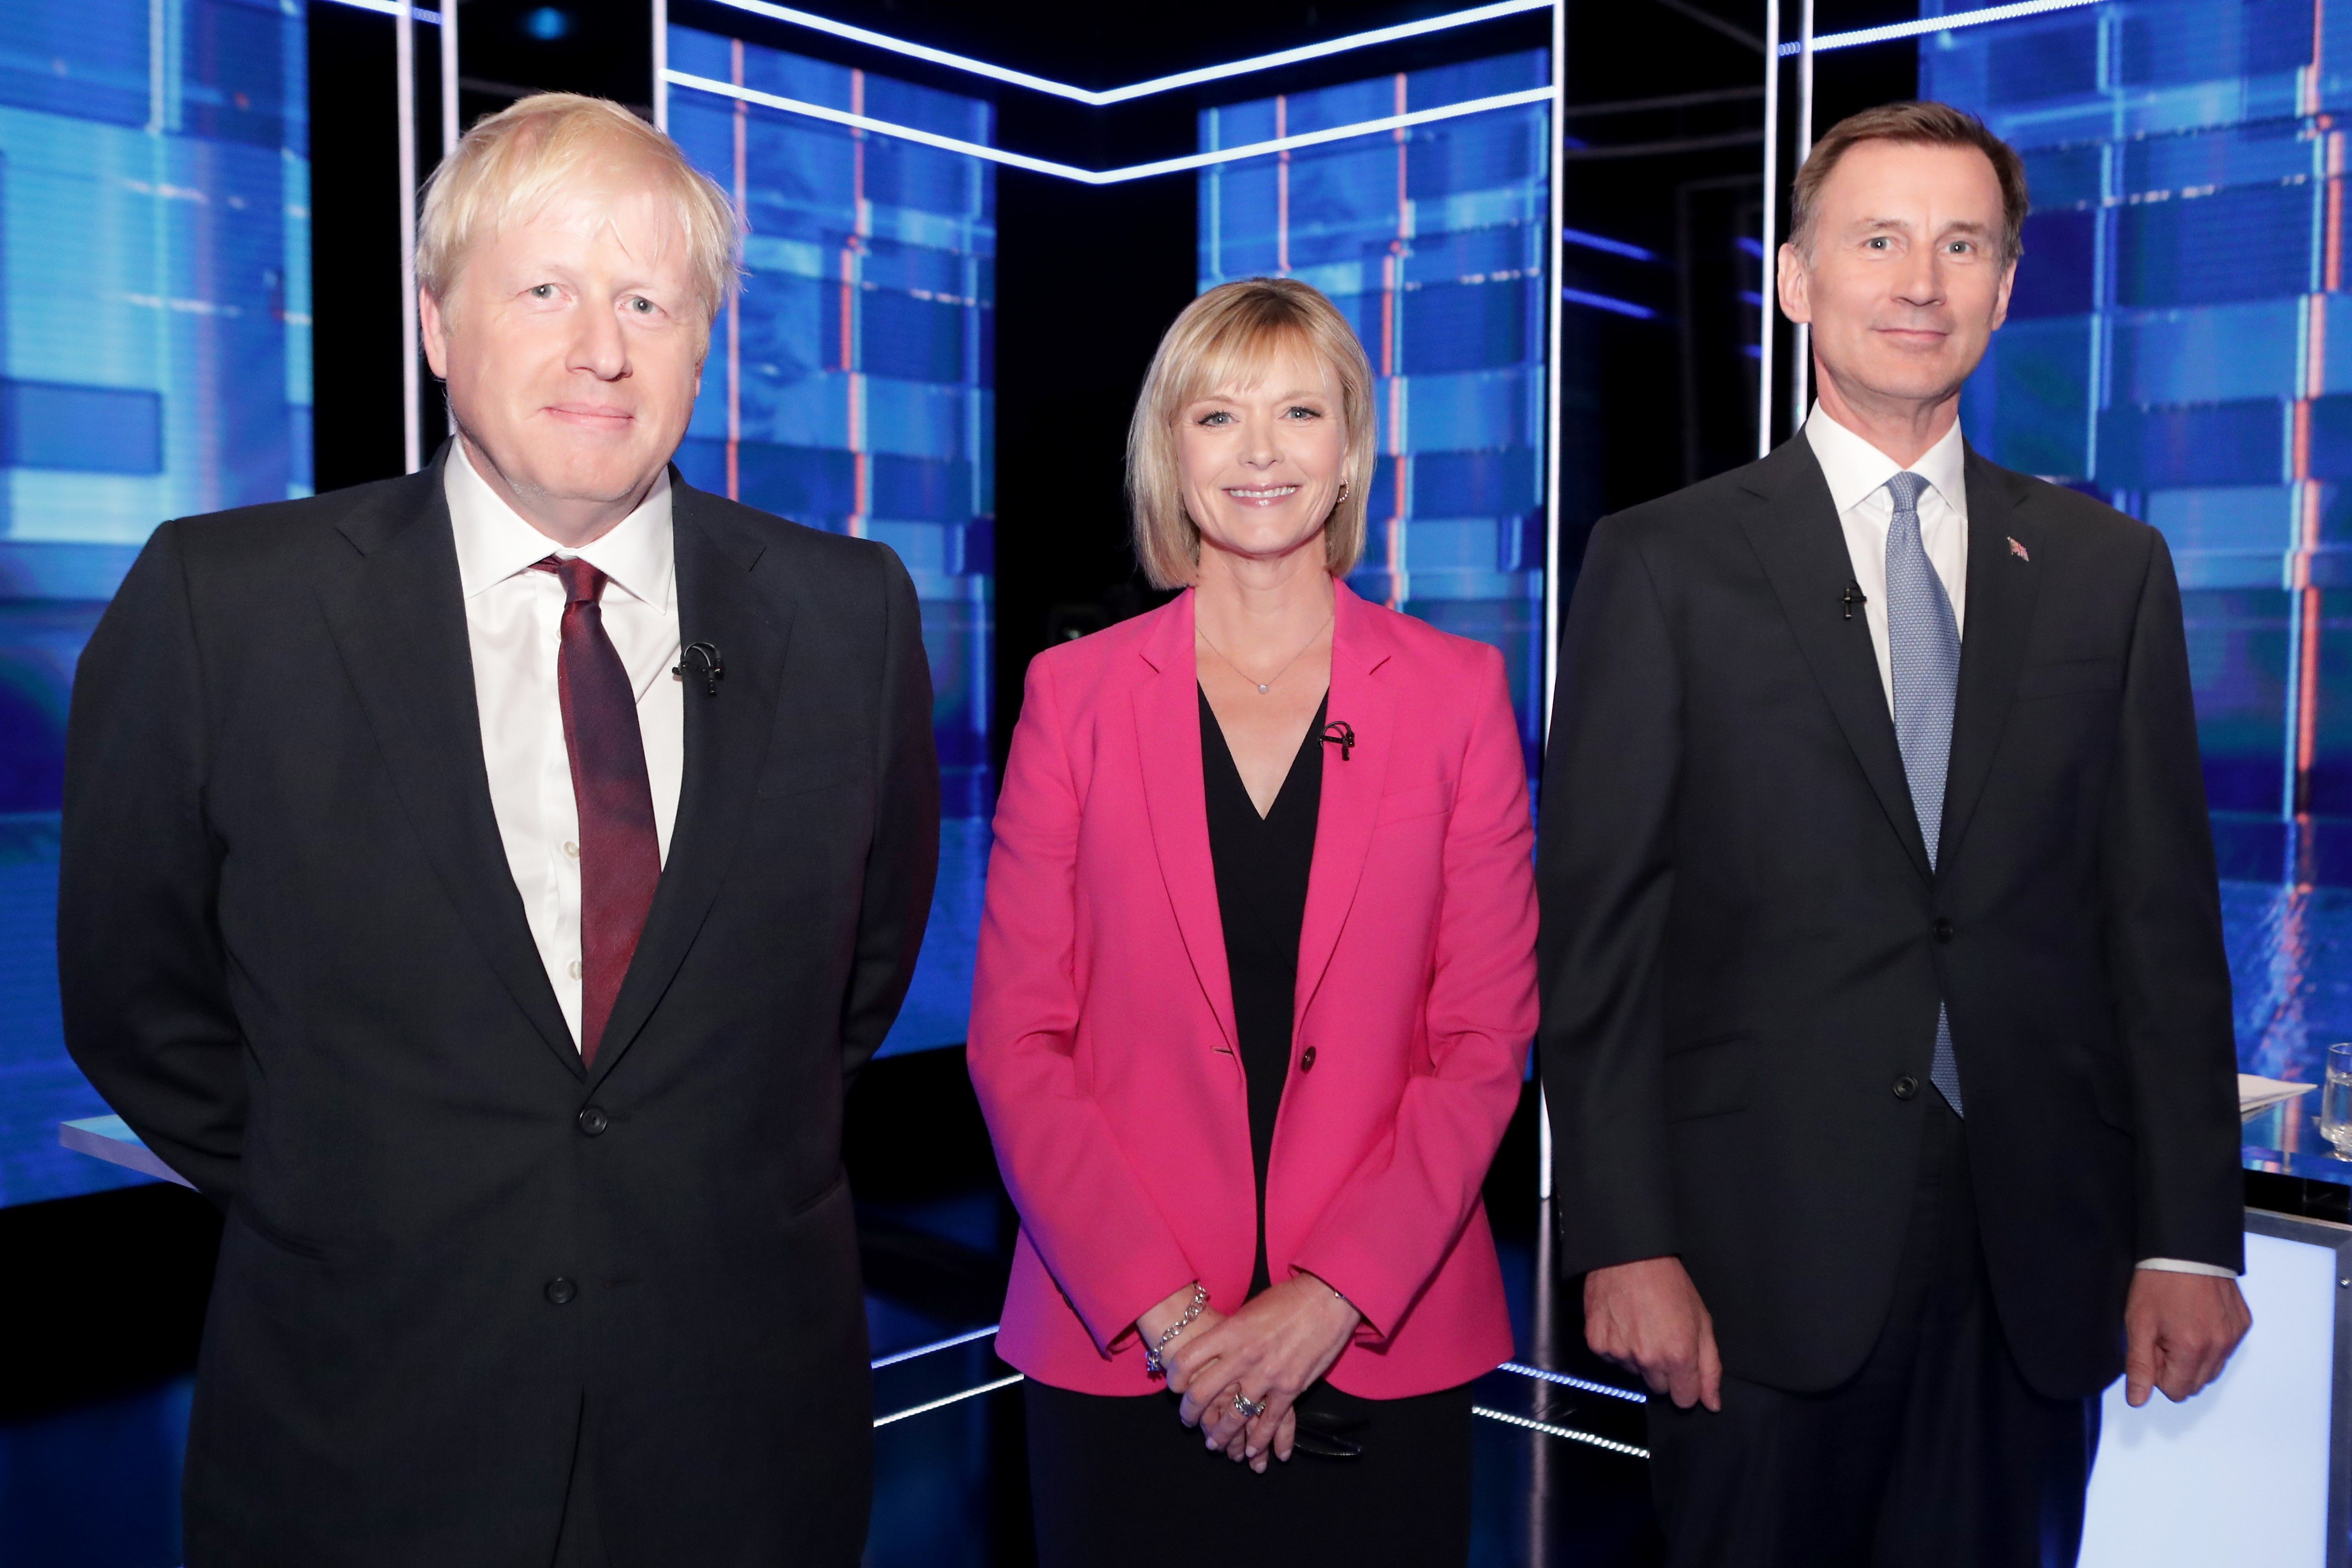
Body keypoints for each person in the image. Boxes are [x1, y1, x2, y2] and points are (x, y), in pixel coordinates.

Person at [58, 93, 938, 1567]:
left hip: (739, 1447)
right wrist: (357, 1181)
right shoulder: (227, 605)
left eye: (649, 299)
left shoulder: (850, 616)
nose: (603, 345)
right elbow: (137, 997)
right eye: (545, 288)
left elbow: (852, 986)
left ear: (702, 341)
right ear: (436, 325)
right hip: (362, 1432)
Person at [1539, 100, 2250, 1567]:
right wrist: (1622, 1236)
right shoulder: (1664, 563)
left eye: (1961, 245)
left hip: (2037, 1261)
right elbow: (1600, 944)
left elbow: (2161, 929)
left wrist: (2188, 1236)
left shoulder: (2109, 571)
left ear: (2004, 285)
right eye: (1879, 241)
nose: (1921, 281)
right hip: (1750, 1261)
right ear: (1798, 280)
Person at [967, 277, 1537, 1566]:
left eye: (1299, 412)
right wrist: (1180, 1325)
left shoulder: (1458, 697)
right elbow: (1019, 1039)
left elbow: (1485, 1038)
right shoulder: (1076, 697)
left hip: (1383, 1340)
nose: (1263, 452)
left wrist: (1323, 1304)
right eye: (1218, 417)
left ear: (1349, 452)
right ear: (1172, 452)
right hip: (1122, 1347)